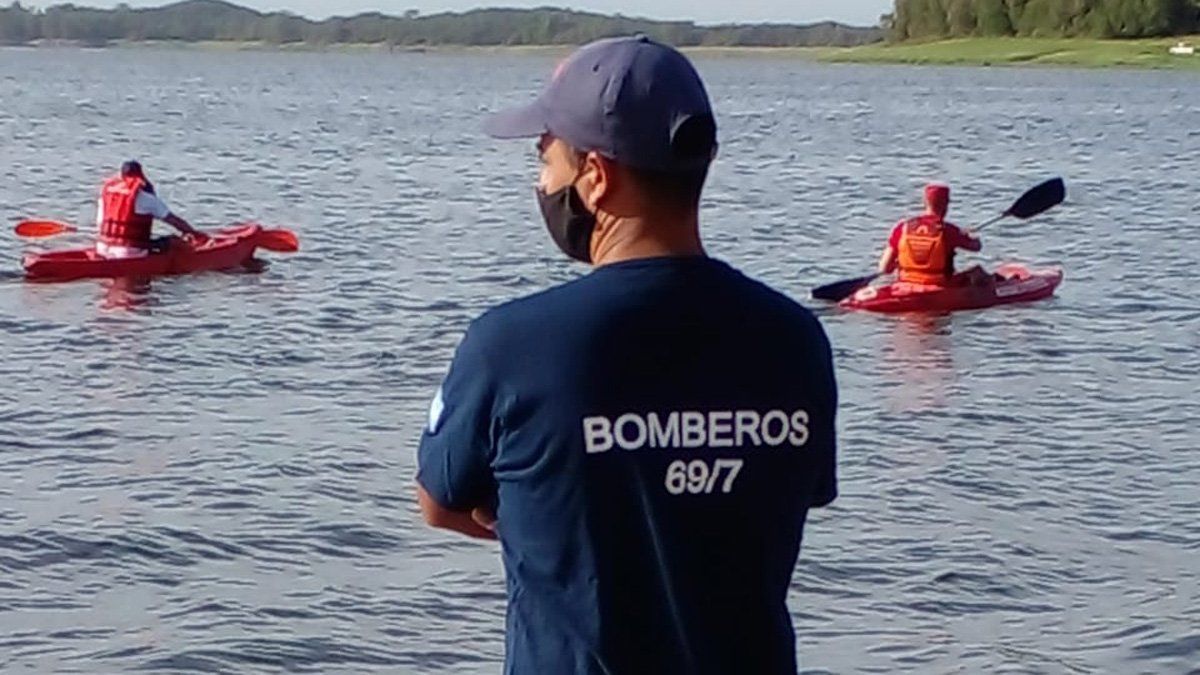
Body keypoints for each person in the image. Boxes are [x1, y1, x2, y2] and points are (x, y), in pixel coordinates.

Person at [416, 36, 838, 675]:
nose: (540, 182)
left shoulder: (512, 344)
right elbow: (778, 498)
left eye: (545, 158)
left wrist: (548, 513)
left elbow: (440, 501)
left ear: (596, 176)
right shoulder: (794, 339)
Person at [877, 183, 988, 286]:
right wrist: (971, 237)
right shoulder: (948, 230)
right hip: (939, 284)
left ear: (925, 202)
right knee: (977, 271)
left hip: (906, 281)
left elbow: (884, 268)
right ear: (946, 204)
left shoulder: (902, 227)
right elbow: (976, 247)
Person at [95, 161, 203, 259]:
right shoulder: (145, 197)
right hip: (128, 252)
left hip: (102, 248)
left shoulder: (106, 196)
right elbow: (173, 221)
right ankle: (194, 258)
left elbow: (100, 223)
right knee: (174, 241)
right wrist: (194, 233)